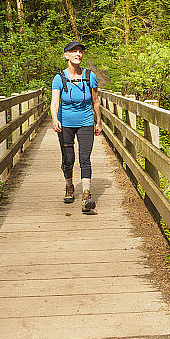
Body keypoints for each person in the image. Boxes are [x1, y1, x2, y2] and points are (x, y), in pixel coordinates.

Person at [50, 41, 102, 212]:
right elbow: (54, 102)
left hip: (86, 122)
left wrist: (98, 122)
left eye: (80, 51)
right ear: (66, 55)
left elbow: (95, 101)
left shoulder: (89, 76)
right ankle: (69, 186)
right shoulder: (59, 78)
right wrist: (54, 119)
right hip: (65, 123)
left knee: (85, 158)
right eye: (74, 51)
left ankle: (86, 195)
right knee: (68, 158)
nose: (78, 54)